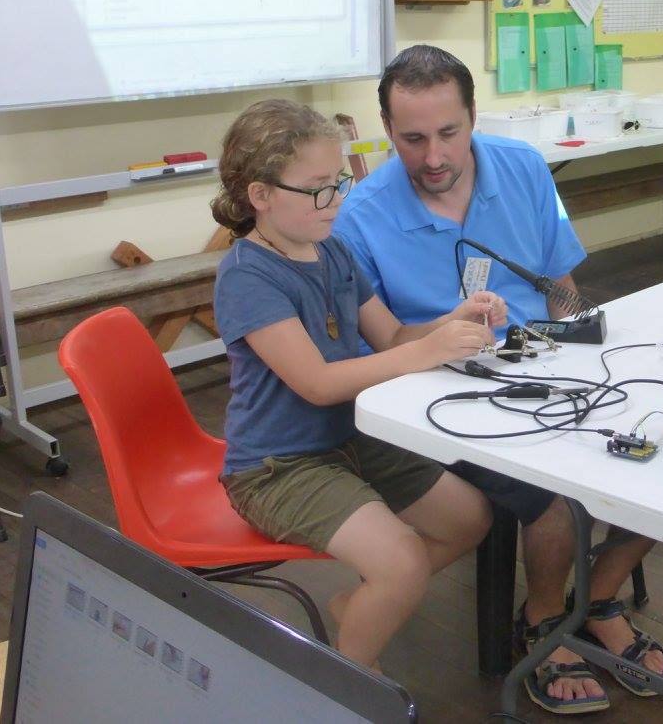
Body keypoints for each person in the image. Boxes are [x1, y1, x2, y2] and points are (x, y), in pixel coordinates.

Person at [334, 46, 663, 714]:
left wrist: (589, 355)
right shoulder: (360, 218)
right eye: (412, 139)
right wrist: (444, 336)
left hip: (545, 363)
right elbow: (386, 348)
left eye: (449, 133)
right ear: (387, 130)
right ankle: (545, 618)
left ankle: (599, 594)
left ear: (473, 116)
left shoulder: (523, 167)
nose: (434, 157)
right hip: (439, 392)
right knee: (554, 488)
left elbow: (560, 289)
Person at [210, 98, 498, 672]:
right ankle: (350, 683)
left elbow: (391, 336)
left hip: (348, 440)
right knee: (402, 561)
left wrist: (452, 322)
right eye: (316, 189)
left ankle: (360, 605)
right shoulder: (247, 275)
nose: (336, 200)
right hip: (277, 467)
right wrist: (426, 352)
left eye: (337, 183)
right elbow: (317, 384)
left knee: (470, 519)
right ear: (260, 195)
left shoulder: (332, 249)